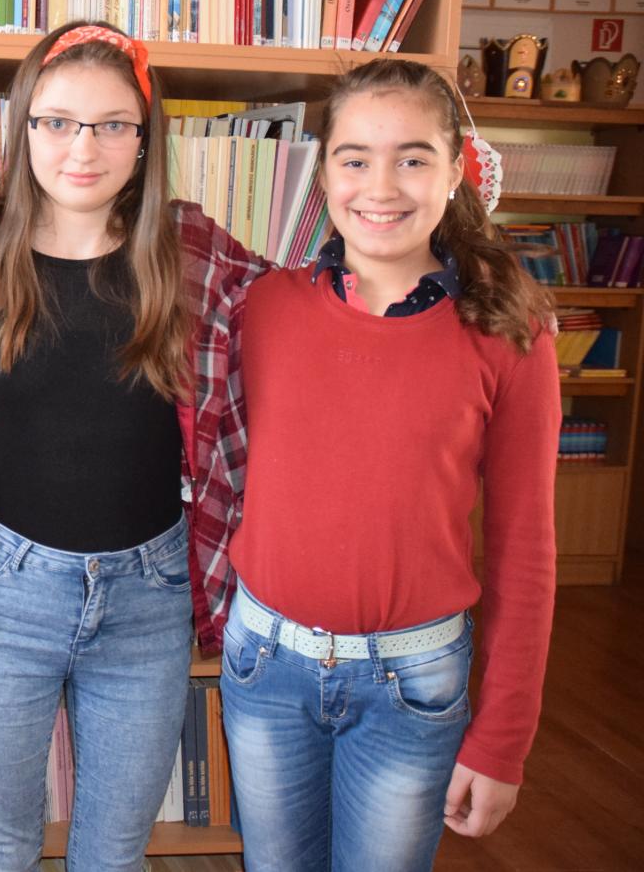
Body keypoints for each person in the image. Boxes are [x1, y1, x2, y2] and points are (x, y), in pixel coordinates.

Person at [0, 22, 265, 869]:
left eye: (112, 124)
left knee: (115, 847)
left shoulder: (191, 250)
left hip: (151, 593)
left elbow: (309, 307)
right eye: (58, 121)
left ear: (144, 139)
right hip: (4, 590)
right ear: (24, 126)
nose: (83, 147)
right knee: (1, 840)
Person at [220, 59, 559, 870]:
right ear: (323, 174)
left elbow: (526, 550)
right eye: (355, 158)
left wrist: (503, 739)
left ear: (456, 171)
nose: (381, 186)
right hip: (264, 666)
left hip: (414, 683)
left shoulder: (508, 331)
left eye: (412, 158)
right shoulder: (264, 306)